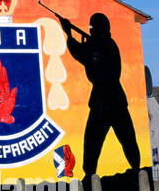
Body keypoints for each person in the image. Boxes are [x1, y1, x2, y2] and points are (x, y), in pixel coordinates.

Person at [59, 12, 141, 180]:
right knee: (101, 141)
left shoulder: (103, 45)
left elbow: (79, 52)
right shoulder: (103, 44)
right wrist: (71, 34)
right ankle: (132, 171)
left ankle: (133, 171)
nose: (91, 30)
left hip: (105, 101)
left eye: (92, 27)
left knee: (102, 140)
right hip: (111, 100)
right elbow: (83, 52)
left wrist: (68, 33)